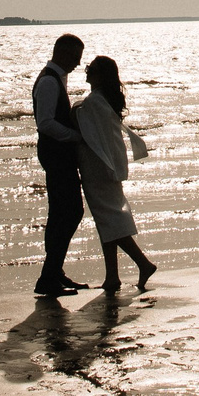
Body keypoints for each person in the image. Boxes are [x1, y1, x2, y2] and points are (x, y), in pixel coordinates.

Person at [73, 55, 156, 293]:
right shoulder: (102, 99)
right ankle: (112, 276)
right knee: (107, 218)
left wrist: (75, 109)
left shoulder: (96, 101)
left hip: (98, 166)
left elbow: (85, 128)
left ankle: (143, 263)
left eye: (92, 69)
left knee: (109, 218)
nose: (87, 71)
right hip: (103, 164)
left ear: (101, 75)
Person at [30, 33, 89, 297]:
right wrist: (75, 136)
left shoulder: (55, 78)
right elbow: (45, 123)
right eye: (75, 58)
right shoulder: (49, 82)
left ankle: (54, 272)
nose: (78, 64)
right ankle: (49, 275)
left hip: (57, 153)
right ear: (62, 53)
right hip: (55, 154)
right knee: (70, 211)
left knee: (61, 213)